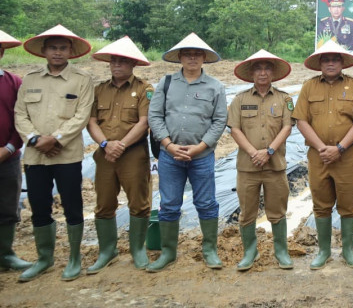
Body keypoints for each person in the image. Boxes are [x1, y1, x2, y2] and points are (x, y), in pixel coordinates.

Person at [14, 25, 94, 282]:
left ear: (70, 51)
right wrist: (36, 139)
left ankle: (74, 257)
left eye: (62, 48)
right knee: (39, 205)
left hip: (66, 154)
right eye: (53, 48)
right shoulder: (30, 79)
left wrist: (55, 138)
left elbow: (82, 115)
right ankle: (44, 258)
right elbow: (20, 114)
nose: (57, 53)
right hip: (36, 155)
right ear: (44, 51)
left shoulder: (81, 80)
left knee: (73, 204)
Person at [147, 33, 228, 272]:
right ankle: (168, 252)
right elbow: (155, 116)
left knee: (206, 203)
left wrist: (201, 146)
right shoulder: (166, 82)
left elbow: (220, 120)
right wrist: (169, 145)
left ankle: (209, 249)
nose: (192, 58)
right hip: (169, 156)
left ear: (204, 58)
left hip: (201, 156)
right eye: (187, 54)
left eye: (197, 54)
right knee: (169, 203)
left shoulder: (215, 86)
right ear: (180, 57)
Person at [296, 40, 353, 269]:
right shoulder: (309, 87)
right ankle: (324, 251)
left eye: (335, 59)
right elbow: (301, 120)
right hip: (318, 157)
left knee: (348, 203)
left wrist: (339, 148)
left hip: (346, 156)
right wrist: (321, 148)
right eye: (326, 59)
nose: (330, 63)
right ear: (320, 63)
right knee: (321, 203)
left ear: (342, 63)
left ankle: (348, 250)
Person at [86, 37, 155, 273]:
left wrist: (121, 145)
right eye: (114, 61)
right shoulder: (99, 90)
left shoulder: (144, 89)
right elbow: (92, 121)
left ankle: (137, 249)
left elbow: (145, 122)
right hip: (105, 155)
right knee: (104, 202)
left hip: (133, 154)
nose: (117, 65)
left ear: (132, 64)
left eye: (123, 61)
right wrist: (106, 144)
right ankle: (108, 251)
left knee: (139, 202)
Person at [228, 50, 296, 271]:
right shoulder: (240, 99)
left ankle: (281, 251)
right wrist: (253, 152)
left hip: (275, 166)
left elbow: (287, 127)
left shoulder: (284, 99)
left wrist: (268, 151)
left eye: (267, 68)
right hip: (248, 167)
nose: (263, 72)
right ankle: (250, 252)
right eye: (258, 68)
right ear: (251, 73)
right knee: (247, 211)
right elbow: (235, 130)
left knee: (277, 210)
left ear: (273, 73)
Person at [0, 29, 31, 274]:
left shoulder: (14, 82)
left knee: (8, 207)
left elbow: (20, 118)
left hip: (7, 156)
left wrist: (10, 147)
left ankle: (5, 254)